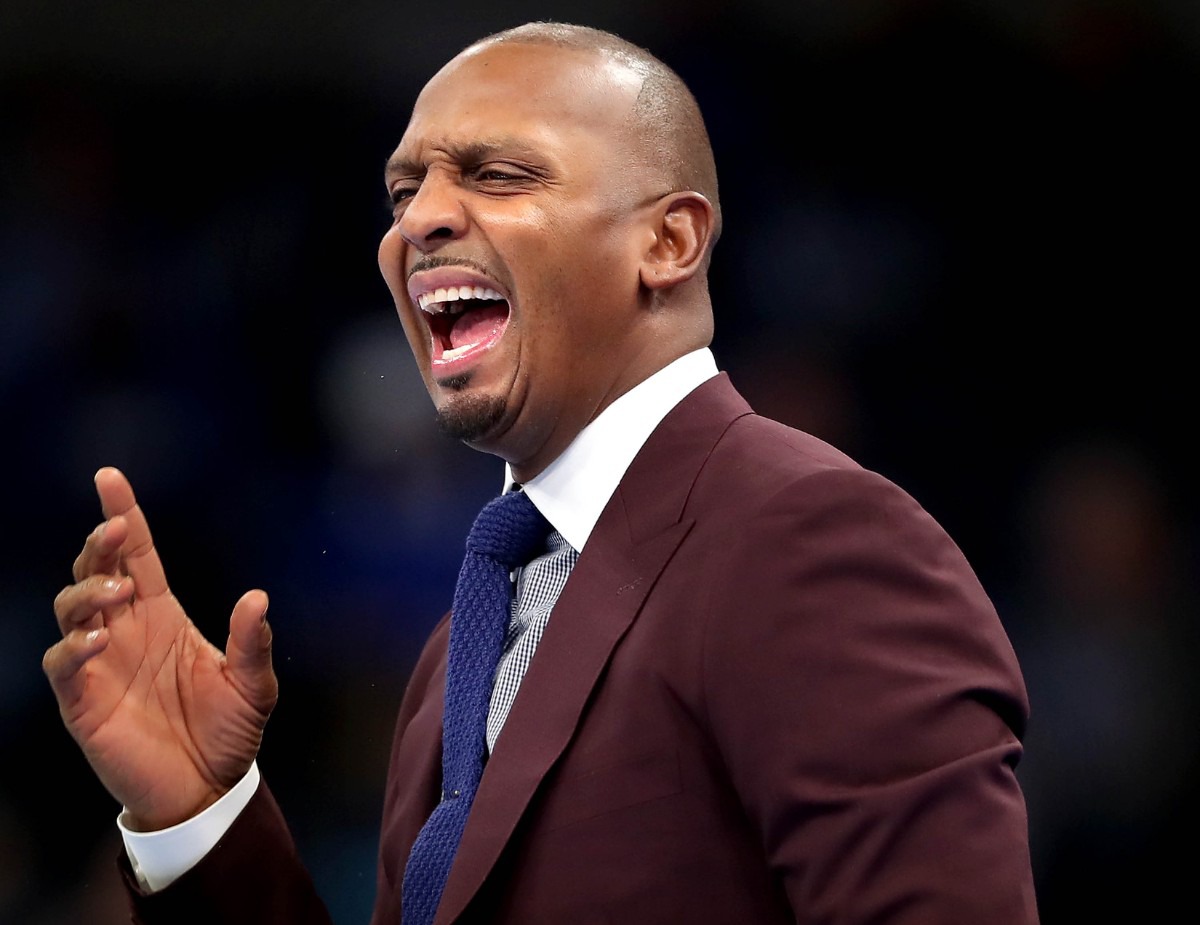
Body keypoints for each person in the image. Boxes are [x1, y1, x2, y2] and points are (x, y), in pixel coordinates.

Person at [43, 21, 1040, 925]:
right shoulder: (464, 642)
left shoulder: (811, 540)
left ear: (670, 239)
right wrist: (197, 815)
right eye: (403, 190)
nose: (419, 220)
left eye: (499, 175)